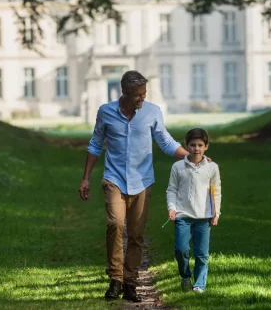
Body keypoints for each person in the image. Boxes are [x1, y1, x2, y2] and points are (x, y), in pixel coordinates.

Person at [79, 70, 202, 302]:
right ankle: (115, 279)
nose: (142, 98)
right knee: (115, 224)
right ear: (125, 93)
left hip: (142, 182)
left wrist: (193, 158)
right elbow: (95, 144)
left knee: (136, 235)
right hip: (114, 178)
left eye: (144, 93)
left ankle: (130, 282)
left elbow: (166, 141)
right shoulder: (106, 112)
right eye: (138, 95)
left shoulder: (152, 112)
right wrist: (85, 178)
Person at [166, 128, 221, 294]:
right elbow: (171, 189)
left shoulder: (212, 167)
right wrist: (172, 208)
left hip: (204, 216)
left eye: (200, 145)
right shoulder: (178, 167)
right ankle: (185, 275)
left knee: (201, 254)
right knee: (181, 249)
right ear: (186, 146)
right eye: (192, 145)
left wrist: (216, 213)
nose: (196, 148)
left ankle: (199, 285)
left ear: (206, 147)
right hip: (183, 215)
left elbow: (216, 191)